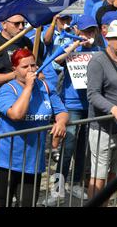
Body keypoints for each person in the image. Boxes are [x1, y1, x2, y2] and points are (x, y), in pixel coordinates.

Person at [0, 48, 68, 207]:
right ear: (14, 70)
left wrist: (61, 122)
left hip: (32, 161)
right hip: (5, 160)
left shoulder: (45, 86)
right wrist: (28, 88)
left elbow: (62, 111)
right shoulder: (7, 89)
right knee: (0, 203)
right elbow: (17, 114)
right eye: (25, 67)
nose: (31, 70)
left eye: (33, 65)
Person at [43, 14, 102, 206]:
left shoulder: (99, 51)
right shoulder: (70, 47)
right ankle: (58, 187)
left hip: (91, 106)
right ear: (77, 31)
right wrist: (75, 45)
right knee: (67, 147)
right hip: (72, 104)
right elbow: (56, 61)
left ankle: (76, 182)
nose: (88, 34)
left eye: (91, 30)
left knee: (82, 148)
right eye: (85, 30)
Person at [87, 20, 117, 206]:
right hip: (103, 129)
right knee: (98, 176)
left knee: (115, 174)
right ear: (108, 39)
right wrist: (113, 109)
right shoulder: (98, 61)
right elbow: (92, 94)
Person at [0, 15, 34, 124]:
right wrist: (16, 74)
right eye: (16, 24)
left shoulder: (27, 42)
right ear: (4, 24)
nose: (21, 27)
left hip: (28, 101)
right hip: (3, 104)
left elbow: (40, 73)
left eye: (23, 24)